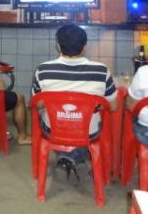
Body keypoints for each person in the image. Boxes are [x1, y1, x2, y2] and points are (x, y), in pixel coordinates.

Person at [32, 24, 117, 178]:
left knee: (49, 119)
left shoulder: (43, 70)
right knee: (91, 126)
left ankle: (68, 156)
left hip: (52, 130)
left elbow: (37, 104)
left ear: (58, 46)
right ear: (84, 47)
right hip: (89, 132)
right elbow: (113, 106)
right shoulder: (101, 70)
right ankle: (74, 155)